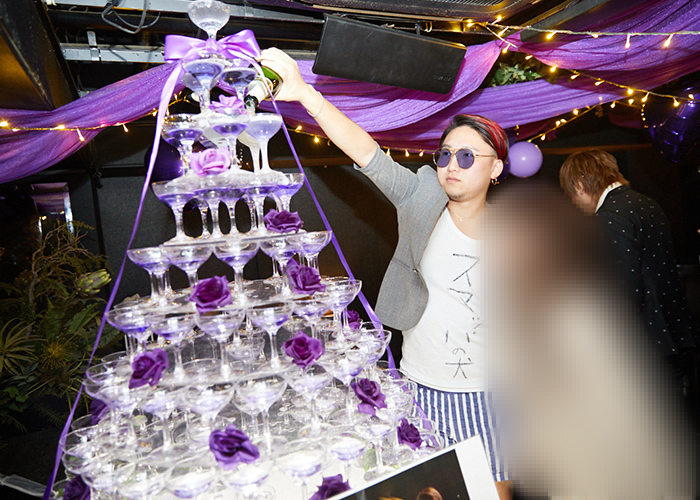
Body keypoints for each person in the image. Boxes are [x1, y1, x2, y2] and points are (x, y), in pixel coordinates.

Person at [258, 48, 511, 498]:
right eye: (445, 155)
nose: (452, 165)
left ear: (496, 167)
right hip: (422, 385)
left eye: (467, 156)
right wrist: (306, 96)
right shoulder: (420, 196)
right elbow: (368, 153)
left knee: (492, 492)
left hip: (490, 391)